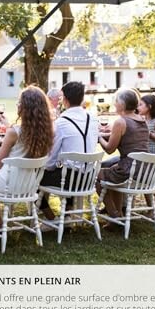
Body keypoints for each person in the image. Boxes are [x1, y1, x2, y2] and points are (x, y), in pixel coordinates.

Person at [0, 86, 54, 227]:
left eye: (19, 102)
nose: (17, 105)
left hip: (9, 185)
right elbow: (25, 134)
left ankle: (0, 225)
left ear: (25, 108)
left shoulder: (13, 132)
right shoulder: (47, 132)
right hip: (29, 185)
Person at [39, 81, 99, 220]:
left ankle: (51, 218)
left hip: (71, 180)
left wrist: (48, 166)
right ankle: (67, 215)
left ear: (64, 99)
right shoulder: (93, 118)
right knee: (69, 170)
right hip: (89, 178)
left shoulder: (62, 122)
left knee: (32, 178)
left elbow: (51, 160)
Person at [97, 88, 149, 224]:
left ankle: (114, 215)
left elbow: (109, 149)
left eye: (116, 101)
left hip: (129, 170)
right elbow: (130, 137)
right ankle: (119, 212)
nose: (114, 104)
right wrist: (109, 133)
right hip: (144, 169)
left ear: (122, 104)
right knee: (112, 171)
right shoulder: (142, 120)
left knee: (95, 175)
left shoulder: (120, 122)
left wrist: (98, 137)